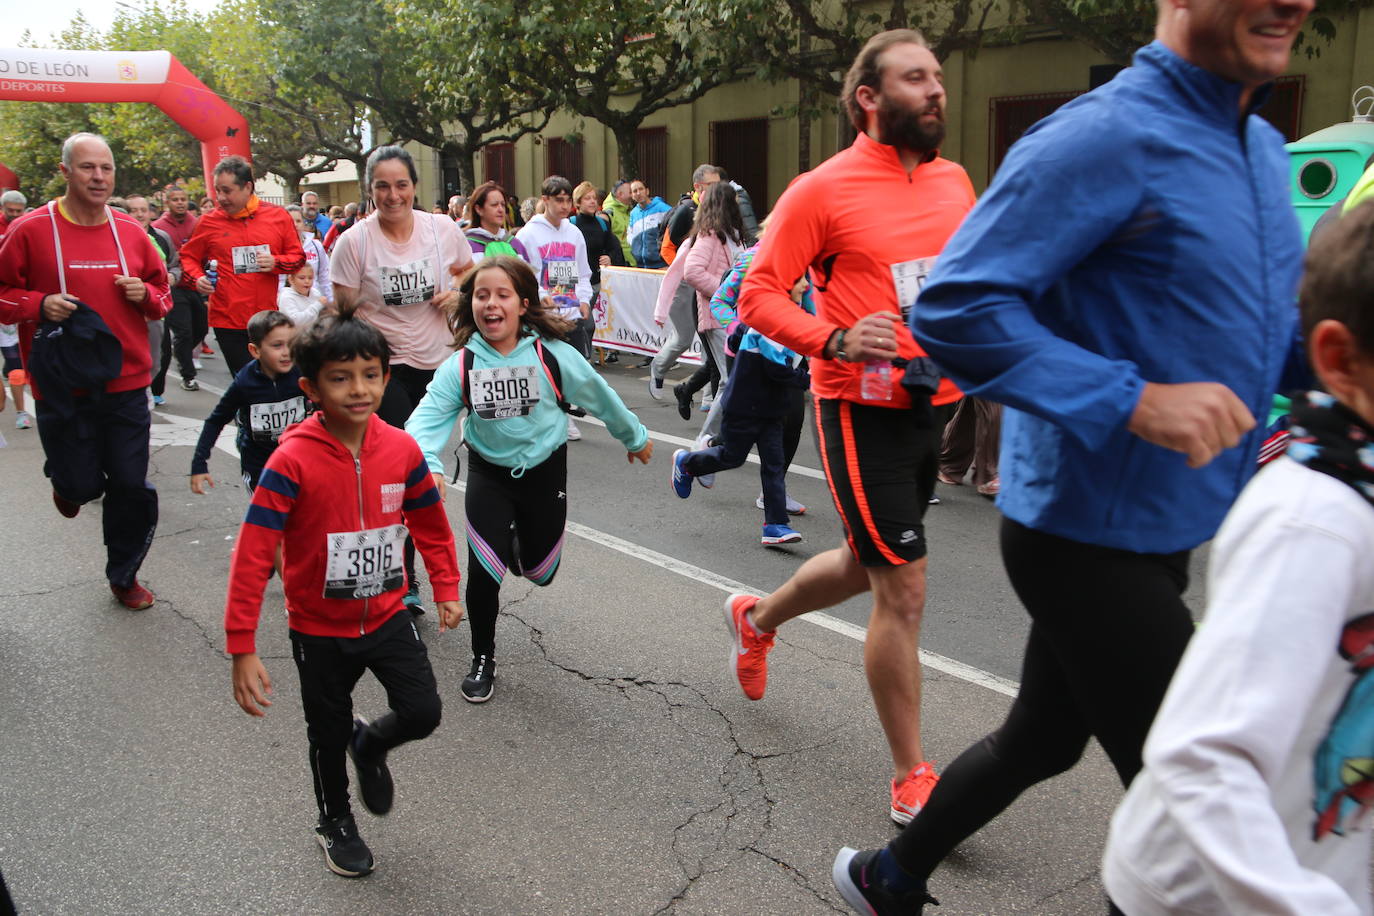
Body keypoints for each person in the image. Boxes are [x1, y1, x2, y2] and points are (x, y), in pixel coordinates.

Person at [830, 0, 1314, 909]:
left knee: (1044, 738)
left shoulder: (1256, 147)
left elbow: (1263, 333)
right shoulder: (1102, 137)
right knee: (1199, 822)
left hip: (1171, 523)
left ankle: (888, 876)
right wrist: (1134, 401)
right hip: (1080, 538)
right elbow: (957, 309)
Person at [1100, 198, 1374, 916]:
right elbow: (1202, 757)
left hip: (1323, 854)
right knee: (1042, 734)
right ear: (1342, 360)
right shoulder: (1314, 519)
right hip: (1200, 894)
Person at [730, 30, 975, 831]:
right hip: (855, 406)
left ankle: (756, 618)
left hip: (933, 404)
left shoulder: (956, 182)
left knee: (870, 560)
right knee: (901, 586)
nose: (936, 90)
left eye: (937, 76)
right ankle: (911, 774)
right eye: (916, 78)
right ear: (870, 98)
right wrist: (833, 337)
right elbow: (759, 294)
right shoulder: (820, 190)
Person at [225, 305, 462, 879]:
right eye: (340, 377)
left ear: (386, 375)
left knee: (423, 711)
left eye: (371, 374)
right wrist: (242, 645)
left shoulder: (401, 449)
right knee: (325, 732)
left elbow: (429, 522)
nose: (359, 389)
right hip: (318, 628)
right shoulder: (292, 459)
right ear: (310, 387)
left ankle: (371, 745)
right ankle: (335, 819)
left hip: (386, 615)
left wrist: (446, 586)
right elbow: (255, 551)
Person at [406, 256, 652, 703]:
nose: (491, 304)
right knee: (484, 572)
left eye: (502, 295)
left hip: (544, 474)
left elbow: (601, 396)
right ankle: (483, 656)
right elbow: (425, 420)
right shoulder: (462, 366)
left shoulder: (552, 356)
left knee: (541, 571)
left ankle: (518, 547)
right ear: (471, 304)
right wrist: (428, 464)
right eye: (482, 295)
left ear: (522, 304)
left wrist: (633, 437)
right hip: (489, 475)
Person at [0, 132, 172, 609]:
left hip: (126, 381)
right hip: (62, 384)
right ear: (65, 172)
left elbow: (163, 295)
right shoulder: (31, 230)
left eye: (106, 168)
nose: (98, 177)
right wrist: (38, 304)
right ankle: (67, 480)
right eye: (87, 168)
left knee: (131, 485)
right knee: (80, 486)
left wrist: (146, 296)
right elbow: (3, 295)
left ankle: (124, 574)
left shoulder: (133, 232)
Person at [330, 144, 474, 614]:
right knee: (402, 471)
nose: (393, 195)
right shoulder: (355, 242)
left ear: (415, 186)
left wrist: (456, 295)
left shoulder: (442, 229)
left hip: (438, 367)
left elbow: (469, 274)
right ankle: (404, 578)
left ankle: (411, 572)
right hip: (383, 370)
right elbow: (343, 312)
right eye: (382, 186)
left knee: (419, 471)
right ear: (369, 191)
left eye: (401, 185)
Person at [672, 286, 811, 547]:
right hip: (744, 407)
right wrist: (810, 379)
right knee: (732, 457)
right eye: (800, 280)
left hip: (771, 409)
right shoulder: (767, 325)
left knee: (774, 464)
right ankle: (688, 463)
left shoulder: (785, 321)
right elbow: (777, 369)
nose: (805, 285)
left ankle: (775, 525)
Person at [179, 156, 305, 376]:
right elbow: (187, 257)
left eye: (227, 191)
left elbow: (298, 258)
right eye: (217, 191)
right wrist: (197, 278)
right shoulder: (209, 222)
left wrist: (276, 262)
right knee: (246, 383)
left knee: (271, 383)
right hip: (227, 320)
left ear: (248, 187)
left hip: (265, 320)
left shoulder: (277, 216)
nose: (220, 198)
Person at [190, 309, 307, 506]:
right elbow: (216, 421)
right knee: (271, 525)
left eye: (291, 344)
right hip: (260, 468)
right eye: (277, 345)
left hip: (301, 462)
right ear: (255, 350)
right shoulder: (244, 383)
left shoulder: (302, 374)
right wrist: (199, 463)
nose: (287, 352)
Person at [515, 175, 595, 441]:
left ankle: (564, 414)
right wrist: (539, 296)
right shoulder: (528, 234)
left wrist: (584, 300)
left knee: (571, 368)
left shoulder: (574, 233)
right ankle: (553, 418)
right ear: (545, 200)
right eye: (558, 200)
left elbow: (583, 272)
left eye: (567, 201)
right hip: (543, 315)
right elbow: (523, 275)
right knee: (545, 369)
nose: (564, 206)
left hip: (571, 312)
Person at [682, 182, 752, 447]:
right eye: (735, 200)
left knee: (731, 379)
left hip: (733, 317)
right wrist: (726, 292)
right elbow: (692, 271)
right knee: (729, 380)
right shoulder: (710, 235)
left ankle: (720, 435)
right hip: (719, 316)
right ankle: (709, 437)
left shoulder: (731, 234)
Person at [153, 185, 209, 392]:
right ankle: (188, 375)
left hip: (194, 283)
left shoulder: (197, 223)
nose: (180, 203)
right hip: (173, 286)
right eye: (175, 199)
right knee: (183, 331)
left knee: (202, 327)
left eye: (183, 199)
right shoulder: (159, 227)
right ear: (168, 202)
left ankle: (181, 351)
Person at [570, 180, 627, 362]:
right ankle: (583, 359)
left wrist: (610, 257)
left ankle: (583, 358)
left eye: (594, 198)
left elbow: (614, 247)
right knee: (585, 323)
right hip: (573, 281)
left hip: (594, 281)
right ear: (578, 203)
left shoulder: (602, 224)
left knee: (586, 324)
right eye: (587, 198)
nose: (592, 202)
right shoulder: (571, 224)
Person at [659, 163, 722, 265]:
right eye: (711, 184)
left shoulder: (720, 209)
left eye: (719, 184)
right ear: (697, 186)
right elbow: (666, 249)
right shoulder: (685, 210)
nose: (718, 189)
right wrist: (683, 273)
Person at [464, 181, 530, 264]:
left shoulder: (515, 244)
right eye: (494, 205)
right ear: (479, 209)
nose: (500, 210)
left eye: (502, 205)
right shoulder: (467, 247)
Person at [284, 203, 332, 307]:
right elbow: (279, 281)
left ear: (304, 223)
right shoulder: (278, 248)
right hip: (291, 304)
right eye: (291, 221)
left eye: (298, 221)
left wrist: (331, 301)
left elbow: (325, 276)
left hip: (316, 301)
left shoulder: (316, 245)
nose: (295, 225)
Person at [627, 180, 670, 270]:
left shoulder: (663, 208)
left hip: (661, 265)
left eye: (641, 189)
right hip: (640, 266)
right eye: (635, 191)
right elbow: (630, 235)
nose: (638, 193)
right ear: (632, 195)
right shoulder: (633, 213)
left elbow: (673, 232)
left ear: (647, 191)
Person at [601, 179, 636, 266]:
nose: (633, 195)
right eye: (630, 192)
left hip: (632, 264)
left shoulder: (630, 211)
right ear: (620, 194)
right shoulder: (609, 214)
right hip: (619, 266)